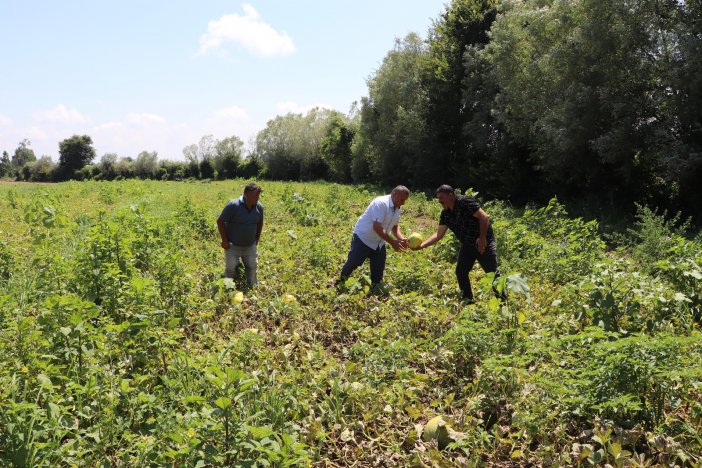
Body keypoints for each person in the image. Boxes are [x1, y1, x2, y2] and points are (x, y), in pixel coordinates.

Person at [412, 185, 502, 303]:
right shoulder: (446, 214)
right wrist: (422, 245)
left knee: (492, 273)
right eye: (438, 198)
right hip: (467, 244)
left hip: (482, 242)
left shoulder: (465, 202)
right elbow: (439, 234)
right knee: (461, 272)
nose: (439, 201)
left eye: (442, 197)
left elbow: (484, 217)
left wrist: (482, 239)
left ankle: (503, 302)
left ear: (451, 195)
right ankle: (468, 300)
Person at [338, 186, 410, 291]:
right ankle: (340, 281)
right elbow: (377, 227)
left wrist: (401, 238)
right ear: (394, 194)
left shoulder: (398, 208)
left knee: (378, 267)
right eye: (402, 199)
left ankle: (375, 288)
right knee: (354, 262)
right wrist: (393, 242)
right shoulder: (381, 203)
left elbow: (395, 227)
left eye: (405, 200)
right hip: (364, 237)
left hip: (379, 241)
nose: (403, 202)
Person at [216, 183, 263, 287]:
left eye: (259, 195)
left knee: (252, 266)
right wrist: (225, 241)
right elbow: (220, 221)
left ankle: (252, 286)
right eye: (256, 195)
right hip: (233, 245)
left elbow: (260, 223)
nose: (258, 198)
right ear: (246, 194)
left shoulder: (259, 207)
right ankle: (229, 287)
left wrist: (256, 240)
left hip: (250, 245)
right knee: (231, 267)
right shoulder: (233, 205)